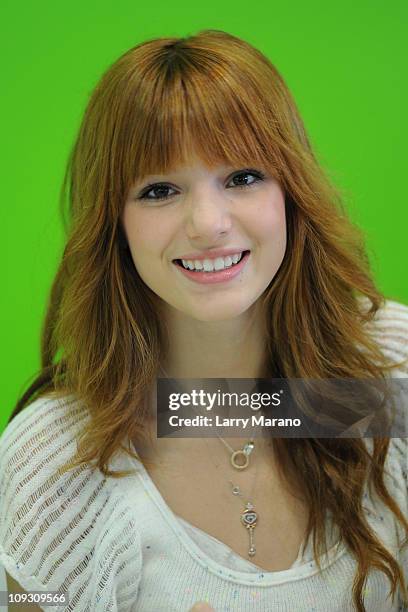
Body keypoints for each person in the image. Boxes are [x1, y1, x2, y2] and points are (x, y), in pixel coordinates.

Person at [0, 29, 407, 612]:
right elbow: (31, 599)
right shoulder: (60, 463)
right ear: (113, 225)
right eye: (160, 189)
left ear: (291, 193)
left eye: (242, 177)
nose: (208, 222)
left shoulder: (389, 369)